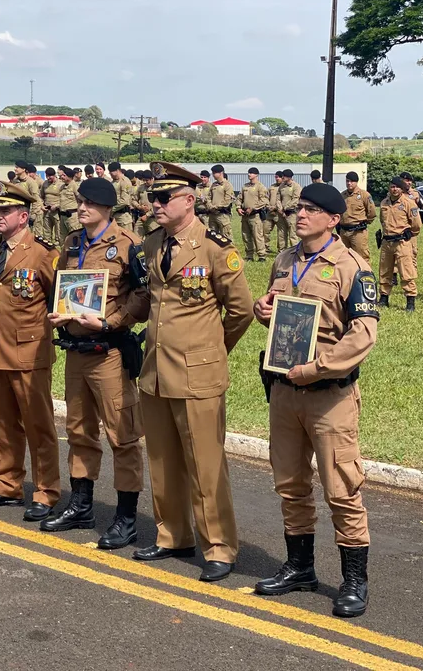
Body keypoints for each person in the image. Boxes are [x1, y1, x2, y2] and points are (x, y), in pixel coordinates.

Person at [253, 183, 378, 619]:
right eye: (299, 207)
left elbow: (363, 336)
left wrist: (317, 367)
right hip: (285, 391)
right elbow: (275, 312)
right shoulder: (285, 260)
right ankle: (300, 567)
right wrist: (261, 310)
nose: (300, 214)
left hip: (329, 397)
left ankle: (354, 580)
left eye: (310, 209)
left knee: (342, 488)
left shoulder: (352, 267)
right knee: (290, 484)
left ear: (333, 219)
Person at [132, 161, 254, 583]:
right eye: (153, 197)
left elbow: (240, 311)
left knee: (205, 464)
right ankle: (173, 535)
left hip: (198, 372)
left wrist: (213, 351)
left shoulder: (216, 248)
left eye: (164, 198)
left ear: (190, 200)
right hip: (156, 372)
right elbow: (153, 303)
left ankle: (219, 545)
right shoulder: (151, 245)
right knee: (163, 460)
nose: (156, 204)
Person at [42, 177, 150, 549]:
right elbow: (63, 284)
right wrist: (58, 312)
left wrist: (110, 322)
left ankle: (126, 517)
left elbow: (142, 295)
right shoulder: (72, 242)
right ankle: (81, 505)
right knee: (79, 431)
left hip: (109, 351)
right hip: (76, 350)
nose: (81, 208)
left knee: (123, 435)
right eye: (79, 202)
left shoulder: (128, 244)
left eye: (88, 203)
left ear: (107, 207)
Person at [0, 180, 62, 521]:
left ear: (23, 217)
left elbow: (59, 299)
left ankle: (46, 490)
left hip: (30, 350)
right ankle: (8, 484)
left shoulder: (42, 252)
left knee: (38, 424)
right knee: (4, 422)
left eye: (5, 211)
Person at [377, 177, 421, 311]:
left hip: (402, 242)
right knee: (385, 271)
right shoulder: (384, 203)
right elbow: (382, 220)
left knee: (406, 272)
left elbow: (417, 224)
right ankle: (384, 297)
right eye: (392, 187)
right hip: (387, 241)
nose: (394, 189)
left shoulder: (409, 203)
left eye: (397, 187)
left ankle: (410, 300)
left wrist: (408, 233)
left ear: (401, 189)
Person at [337, 171, 376, 261]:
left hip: (357, 232)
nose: (349, 183)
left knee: (362, 256)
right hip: (344, 231)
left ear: (356, 182)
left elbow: (372, 212)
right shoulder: (342, 195)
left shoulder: (364, 195)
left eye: (351, 181)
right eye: (347, 181)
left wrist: (364, 222)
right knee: (345, 257)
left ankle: (365, 274)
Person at [238, 167, 269, 261]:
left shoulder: (261, 187)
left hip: (255, 216)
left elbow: (264, 200)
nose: (249, 174)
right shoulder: (245, 186)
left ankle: (261, 255)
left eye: (251, 173)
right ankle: (249, 255)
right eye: (248, 173)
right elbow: (239, 198)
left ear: (256, 175)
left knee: (257, 236)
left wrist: (253, 208)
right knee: (246, 236)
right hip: (245, 215)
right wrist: (238, 207)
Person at [207, 164, 235, 237]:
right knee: (212, 237)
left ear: (220, 173)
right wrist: (210, 206)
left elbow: (227, 200)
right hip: (212, 214)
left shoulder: (227, 185)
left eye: (214, 173)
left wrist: (216, 207)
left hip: (222, 215)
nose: (212, 175)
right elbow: (208, 197)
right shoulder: (213, 185)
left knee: (226, 237)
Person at [108, 161, 136, 231]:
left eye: (111, 172)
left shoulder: (124, 181)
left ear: (117, 170)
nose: (110, 174)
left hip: (123, 217)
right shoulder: (113, 182)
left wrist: (111, 209)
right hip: (114, 217)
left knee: (127, 240)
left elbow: (124, 201)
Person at [57, 165, 81, 242]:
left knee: (74, 237)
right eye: (62, 175)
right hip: (62, 216)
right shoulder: (62, 187)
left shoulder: (74, 186)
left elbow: (80, 200)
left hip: (72, 217)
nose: (62, 176)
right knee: (62, 239)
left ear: (69, 177)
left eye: (64, 175)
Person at [134, 170, 159, 237]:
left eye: (147, 180)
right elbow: (133, 200)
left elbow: (160, 206)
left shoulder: (157, 188)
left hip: (153, 219)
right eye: (143, 180)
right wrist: (139, 206)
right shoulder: (141, 187)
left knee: (153, 239)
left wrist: (148, 215)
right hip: (141, 217)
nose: (145, 182)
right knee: (136, 238)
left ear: (152, 178)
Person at [41, 166, 62, 245]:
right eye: (47, 176)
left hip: (56, 211)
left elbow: (64, 199)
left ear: (54, 175)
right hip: (47, 210)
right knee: (46, 230)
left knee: (59, 231)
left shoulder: (60, 184)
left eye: (50, 176)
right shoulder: (45, 183)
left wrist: (57, 205)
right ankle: (47, 243)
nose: (48, 178)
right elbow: (41, 196)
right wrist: (42, 206)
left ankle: (59, 245)